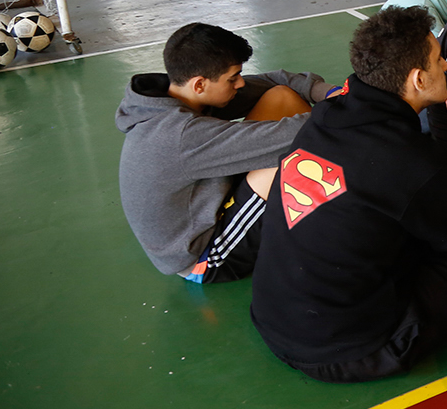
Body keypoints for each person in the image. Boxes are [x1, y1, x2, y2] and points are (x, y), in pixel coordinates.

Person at [249, 6, 447, 383]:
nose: (446, 66)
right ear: (417, 79)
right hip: (349, 351)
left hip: (274, 318)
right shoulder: (407, 162)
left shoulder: (327, 115)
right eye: (439, 60)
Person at [116, 22, 324, 283]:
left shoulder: (176, 96)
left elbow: (274, 82)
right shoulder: (180, 135)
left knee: (279, 96)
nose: (240, 84)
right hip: (207, 256)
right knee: (294, 159)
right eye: (232, 78)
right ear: (200, 84)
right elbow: (287, 137)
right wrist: (355, 109)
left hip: (210, 201)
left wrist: (330, 93)